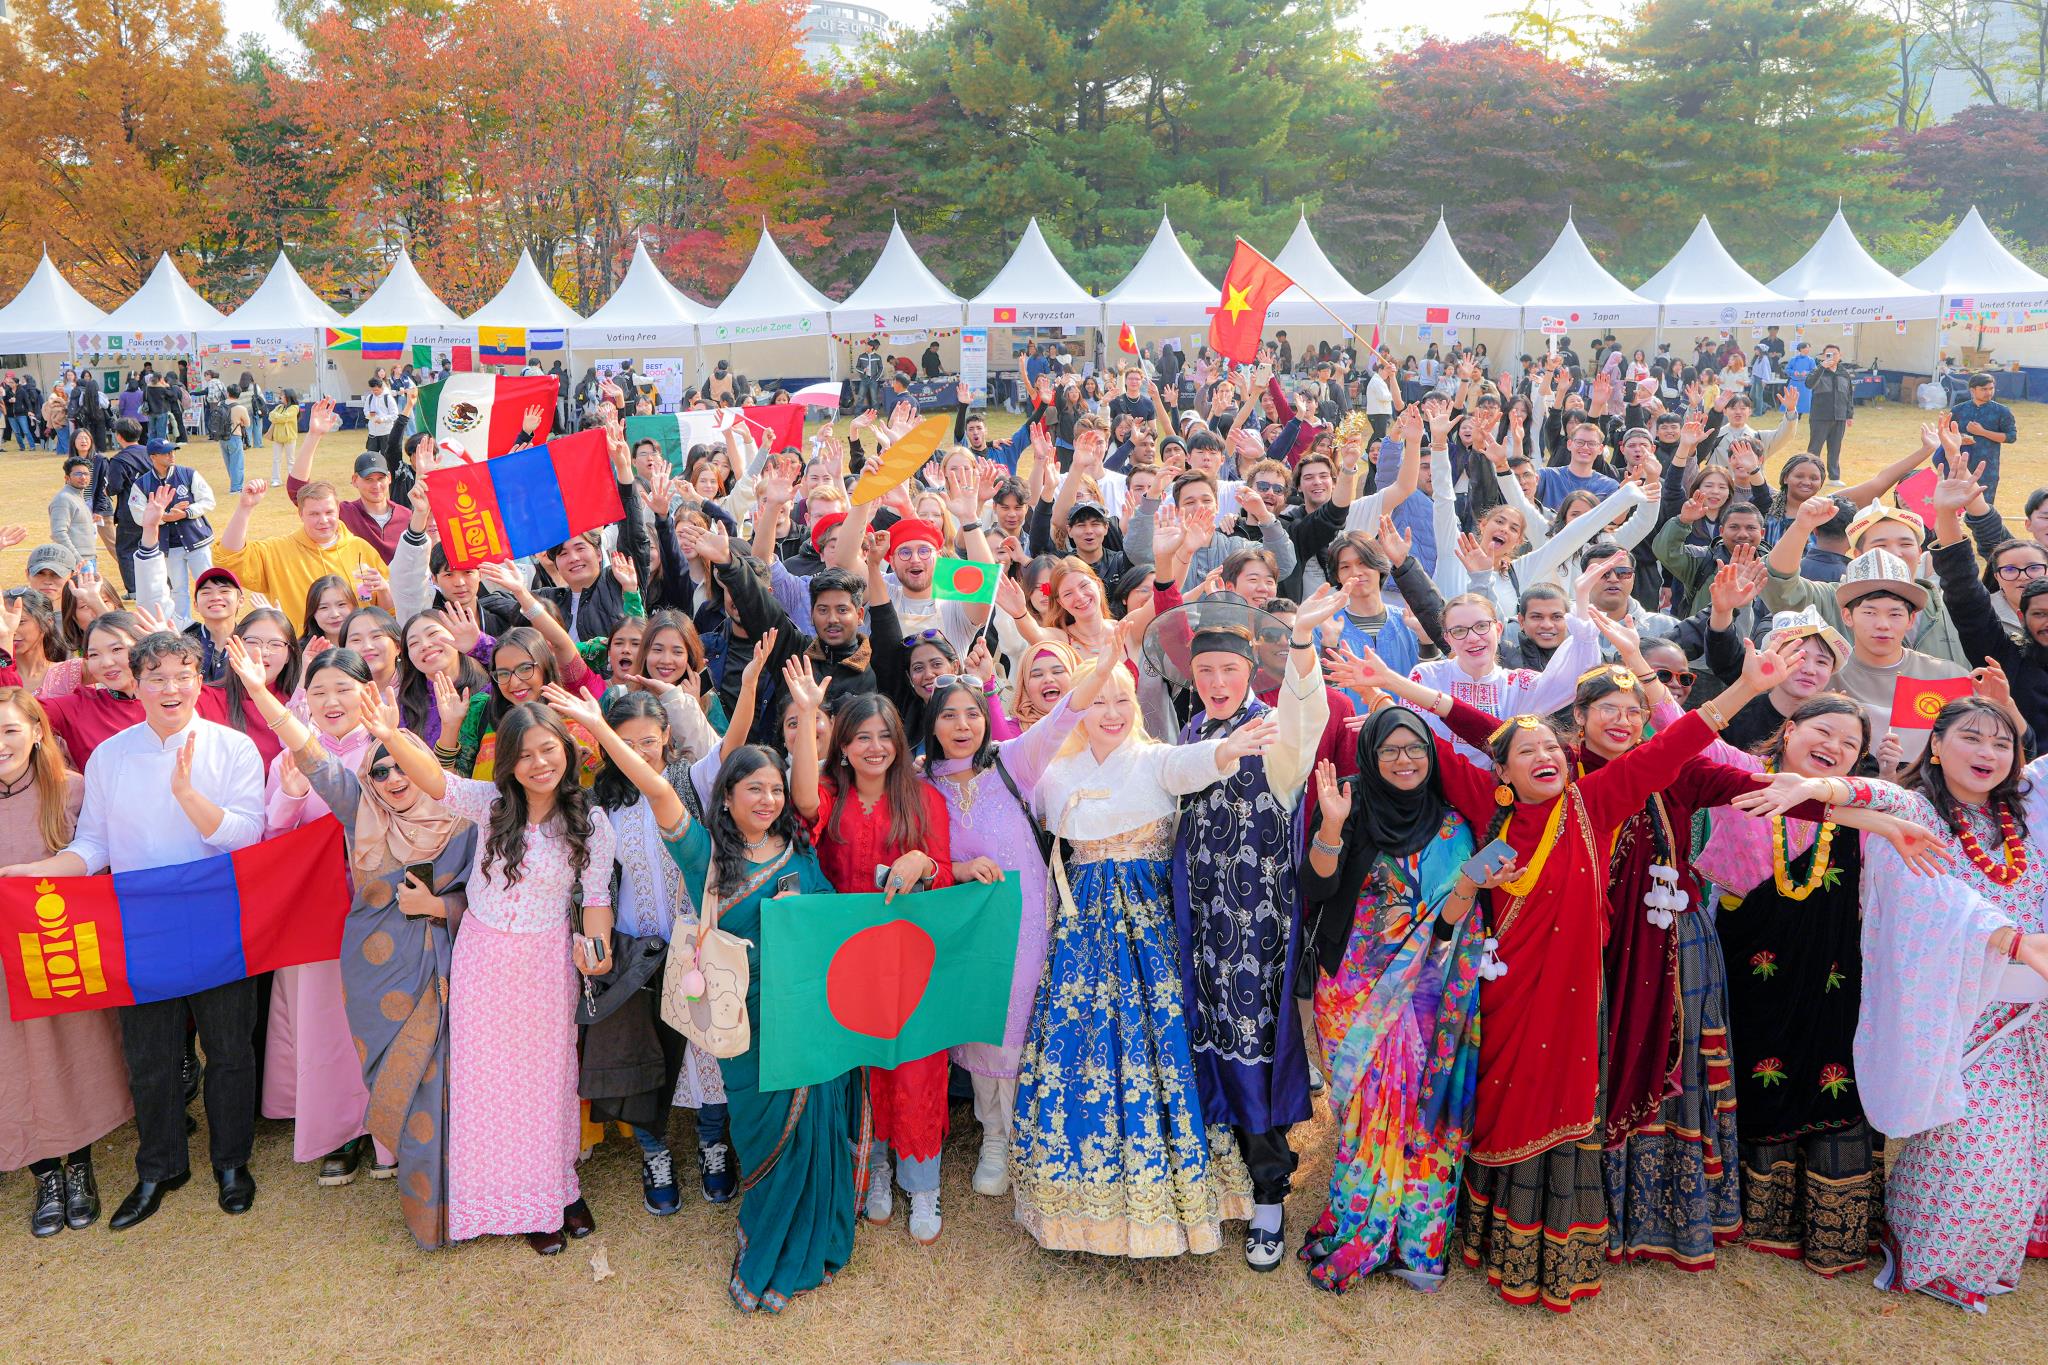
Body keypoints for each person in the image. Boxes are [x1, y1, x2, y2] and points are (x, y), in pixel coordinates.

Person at [1330, 638, 1794, 1310]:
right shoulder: (1485, 804)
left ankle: (1558, 1250)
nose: (1546, 757)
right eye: (1528, 752)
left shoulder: (1594, 802)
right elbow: (1461, 734)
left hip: (1575, 1000)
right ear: (1503, 770)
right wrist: (1400, 690)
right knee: (1499, 1104)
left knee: (1567, 1108)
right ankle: (1490, 1238)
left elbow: (1670, 749)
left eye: (1553, 749)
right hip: (1504, 995)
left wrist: (1745, 688)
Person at [1742, 696, 2048, 1312]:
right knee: (1980, 1156)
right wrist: (1819, 783)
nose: (1987, 754)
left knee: (2022, 1152)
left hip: (2023, 1014)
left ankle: (1974, 1253)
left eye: (2001, 744)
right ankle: (1927, 1253)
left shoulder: (2023, 818)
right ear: (1935, 746)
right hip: (1952, 1013)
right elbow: (1869, 797)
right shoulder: (1920, 809)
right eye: (1971, 739)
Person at [0, 633, 266, 1230]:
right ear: (135, 684)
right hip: (139, 920)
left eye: (184, 674)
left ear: (201, 681)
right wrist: (32, 874)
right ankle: (160, 1166)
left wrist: (187, 795)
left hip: (216, 912)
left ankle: (231, 1162)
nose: (171, 688)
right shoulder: (111, 756)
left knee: (227, 1050)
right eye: (157, 676)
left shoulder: (234, 748)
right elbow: (93, 845)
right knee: (149, 1055)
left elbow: (247, 835)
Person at [1012, 658, 1270, 1257]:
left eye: (1122, 701)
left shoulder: (1156, 759)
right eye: (1097, 702)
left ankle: (1178, 1190)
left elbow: (1192, 763)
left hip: (1151, 927)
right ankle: (1077, 1199)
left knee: (1164, 1042)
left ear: (1137, 707)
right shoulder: (1055, 771)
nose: (1110, 714)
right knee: (1084, 1047)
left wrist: (1230, 746)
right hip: (1081, 934)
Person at [221, 637, 474, 1247]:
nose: (389, 778)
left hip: (443, 963)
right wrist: (261, 692)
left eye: (399, 766)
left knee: (444, 1079)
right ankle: (425, 1206)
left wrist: (441, 905)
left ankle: (466, 1191)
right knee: (397, 1075)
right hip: (372, 968)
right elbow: (309, 754)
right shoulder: (359, 809)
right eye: (377, 769)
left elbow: (489, 895)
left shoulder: (461, 814)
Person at [364, 695, 616, 1255]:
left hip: (548, 964)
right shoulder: (492, 806)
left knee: (548, 1083)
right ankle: (514, 1202)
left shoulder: (591, 823)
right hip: (484, 960)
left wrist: (595, 946)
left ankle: (558, 1189)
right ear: (508, 764)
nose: (538, 764)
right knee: (490, 1085)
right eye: (524, 755)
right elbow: (437, 783)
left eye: (548, 749)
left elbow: (595, 897)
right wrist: (394, 733)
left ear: (566, 752)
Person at [918, 632, 1124, 1199]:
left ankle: (1034, 1133)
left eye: (973, 713)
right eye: (950, 716)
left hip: (1029, 920)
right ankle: (993, 1137)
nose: (964, 725)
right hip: (964, 932)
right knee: (983, 1027)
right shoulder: (918, 782)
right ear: (932, 723)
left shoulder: (1014, 762)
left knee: (1027, 1020)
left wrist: (1104, 666)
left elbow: (1066, 714)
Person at [1167, 587, 1338, 1267]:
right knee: (1204, 1044)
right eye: (1204, 671)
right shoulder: (1192, 733)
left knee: (1255, 1053)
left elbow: (1306, 717)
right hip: (1201, 924)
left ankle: (1270, 1198)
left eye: (1228, 671)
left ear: (1249, 674)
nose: (1215, 682)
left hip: (1256, 938)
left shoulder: (1272, 732)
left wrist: (1300, 646)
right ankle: (1225, 1183)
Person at [1294, 706, 1493, 1291]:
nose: (1404, 761)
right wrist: (1331, 827)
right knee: (1362, 1116)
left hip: (1425, 989)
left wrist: (1470, 884)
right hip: (1349, 985)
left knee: (1419, 1116)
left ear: (1432, 757)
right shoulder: (1348, 801)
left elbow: (1446, 928)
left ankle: (1413, 1237)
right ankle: (1360, 1223)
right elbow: (1315, 889)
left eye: (1416, 750)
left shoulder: (1453, 825)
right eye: (1390, 750)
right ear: (1372, 754)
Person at [786, 672, 955, 1242]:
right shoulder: (833, 797)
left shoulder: (924, 796)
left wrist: (922, 865)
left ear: (899, 741)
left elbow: (946, 869)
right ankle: (877, 1169)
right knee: (863, 1067)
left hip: (910, 962)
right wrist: (810, 716)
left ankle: (923, 1181)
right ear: (844, 745)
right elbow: (804, 801)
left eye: (885, 736)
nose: (874, 747)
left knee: (915, 1064)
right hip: (846, 963)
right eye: (861, 737)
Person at [0, 687, 131, 1238]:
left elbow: (98, 865)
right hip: (4, 968)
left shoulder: (70, 789)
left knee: (72, 1056)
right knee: (15, 1067)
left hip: (60, 952)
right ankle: (44, 1173)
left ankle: (80, 1167)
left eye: (8, 730)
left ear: (35, 731)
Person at [213, 477, 388, 633]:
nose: (323, 520)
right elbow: (229, 559)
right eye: (314, 514)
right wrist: (245, 508)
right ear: (300, 514)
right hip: (302, 652)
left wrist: (385, 589)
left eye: (329, 512)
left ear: (338, 511)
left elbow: (387, 609)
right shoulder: (278, 551)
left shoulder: (361, 549)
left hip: (356, 652)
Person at [1803, 345, 1854, 482]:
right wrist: (1822, 367)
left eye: (1835, 354)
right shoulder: (1818, 370)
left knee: (1835, 448)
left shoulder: (1844, 373)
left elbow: (1849, 395)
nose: (1832, 356)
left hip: (1840, 416)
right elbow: (1809, 384)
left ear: (1840, 355)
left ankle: (1834, 477)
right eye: (1828, 354)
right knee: (1815, 448)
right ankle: (1810, 474)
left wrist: (1849, 415)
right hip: (1820, 416)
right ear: (1823, 356)